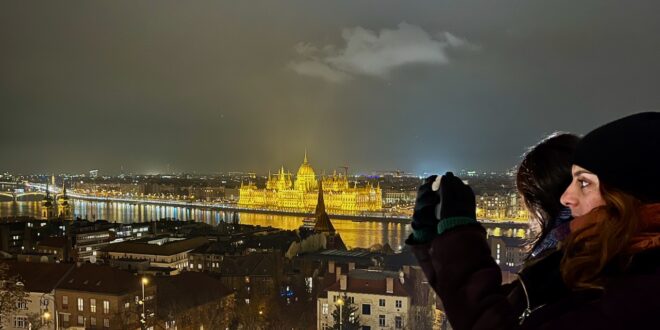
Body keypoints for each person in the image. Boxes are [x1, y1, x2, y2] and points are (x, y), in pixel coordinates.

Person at [407, 112, 660, 329]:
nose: (566, 197)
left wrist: (458, 234)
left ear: (629, 195)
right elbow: (491, 309)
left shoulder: (634, 292)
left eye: (583, 182)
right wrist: (432, 244)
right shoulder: (591, 262)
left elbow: (492, 317)